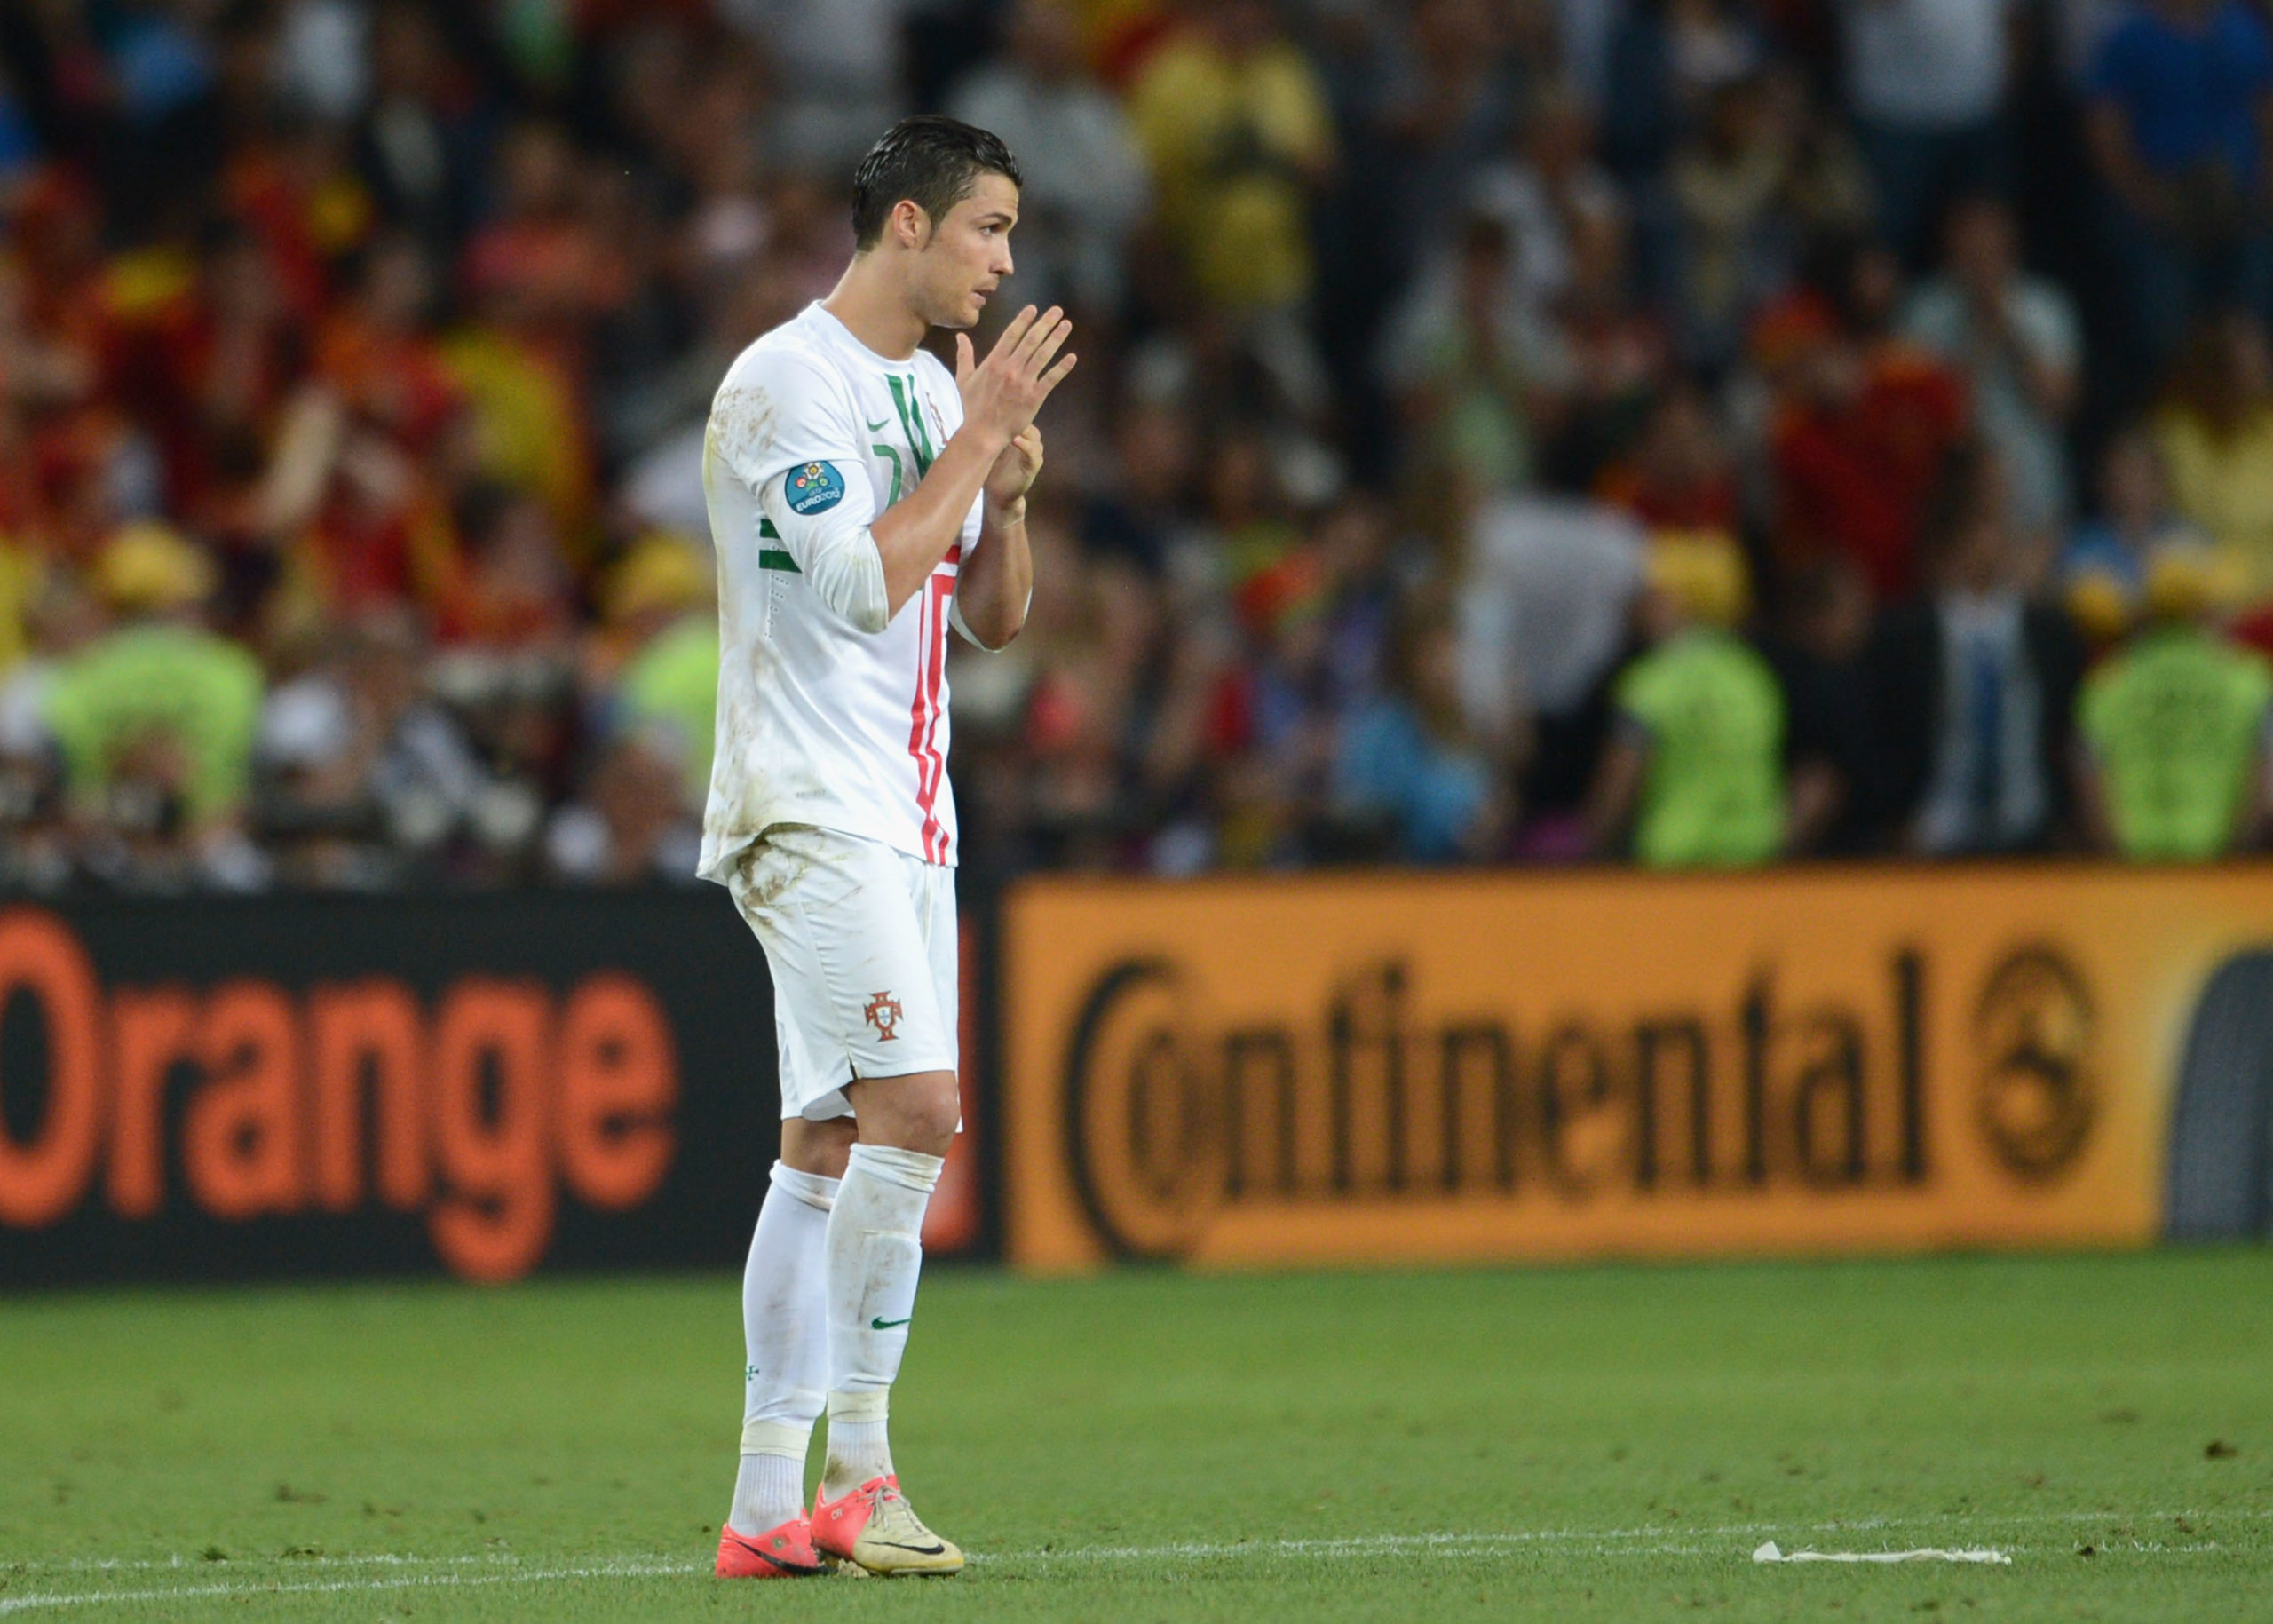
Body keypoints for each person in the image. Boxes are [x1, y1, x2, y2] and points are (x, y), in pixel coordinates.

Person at [699, 116, 1073, 1580]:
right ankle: (860, 1466)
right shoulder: (782, 385)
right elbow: (858, 586)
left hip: (913, 813)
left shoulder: (930, 390)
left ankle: (759, 1503)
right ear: (906, 224)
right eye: (989, 228)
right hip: (807, 804)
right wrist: (978, 442)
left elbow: (987, 616)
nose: (1005, 262)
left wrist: (1013, 498)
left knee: (826, 1144)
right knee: (919, 1108)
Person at [2075, 543, 2273, 859]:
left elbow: (2089, 782)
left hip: (2133, 864)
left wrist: (2111, 859)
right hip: (2217, 862)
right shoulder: (2248, 680)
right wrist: (2240, 856)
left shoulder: (2107, 683)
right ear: (2205, 609)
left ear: (2147, 612)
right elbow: (2261, 783)